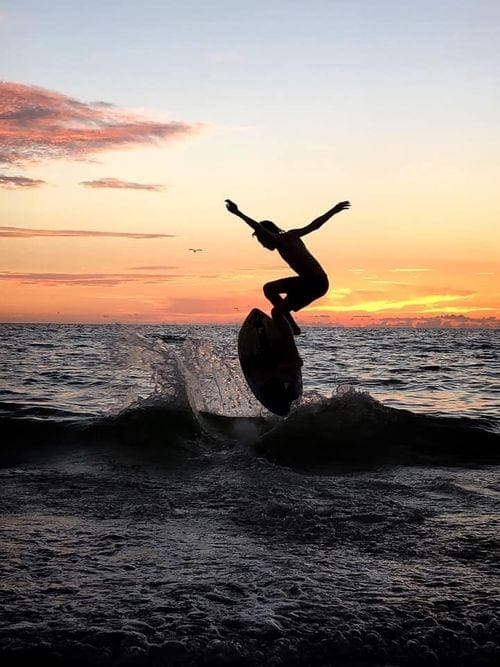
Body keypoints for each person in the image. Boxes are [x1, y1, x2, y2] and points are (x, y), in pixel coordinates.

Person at [225, 198, 350, 335]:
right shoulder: (292, 234)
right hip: (310, 281)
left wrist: (237, 213)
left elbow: (257, 226)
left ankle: (287, 342)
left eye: (261, 240)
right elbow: (314, 226)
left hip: (315, 283)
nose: (263, 245)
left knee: (277, 312)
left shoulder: (279, 240)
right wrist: (334, 210)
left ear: (267, 235)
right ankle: (293, 328)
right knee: (269, 289)